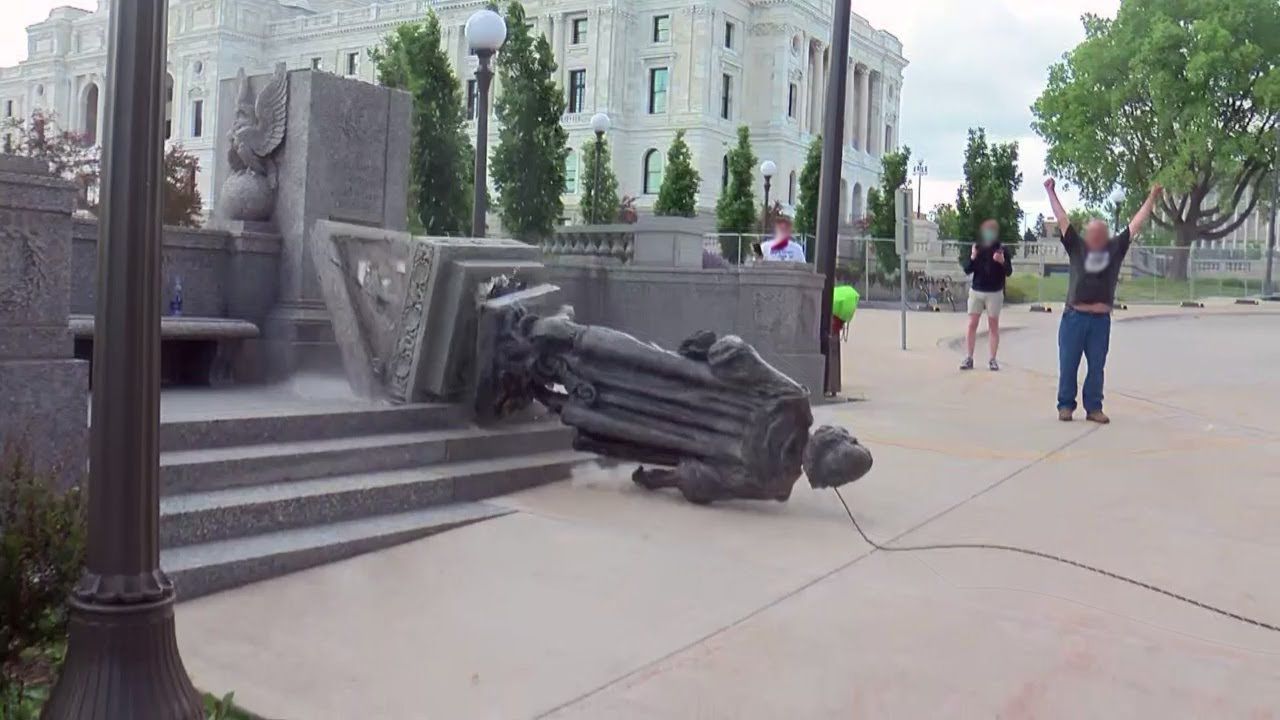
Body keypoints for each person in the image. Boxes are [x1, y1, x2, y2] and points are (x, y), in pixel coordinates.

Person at [1045, 178, 1161, 424]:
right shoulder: (1077, 247)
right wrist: (1050, 191)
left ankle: (1094, 407)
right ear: (1087, 235)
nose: (1097, 235)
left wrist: (1152, 197)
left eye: (1101, 232)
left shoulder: (1114, 249)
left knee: (1096, 366)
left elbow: (1136, 223)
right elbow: (1063, 219)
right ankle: (1065, 405)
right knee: (1068, 365)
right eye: (1093, 232)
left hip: (1100, 321)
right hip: (1074, 317)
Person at [959, 219, 1013, 371]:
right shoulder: (978, 247)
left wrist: (1002, 261)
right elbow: (967, 269)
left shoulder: (1001, 249)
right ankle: (969, 358)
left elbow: (1009, 271)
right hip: (977, 290)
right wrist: (972, 257)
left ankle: (992, 359)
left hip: (994, 292)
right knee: (971, 324)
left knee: (993, 326)